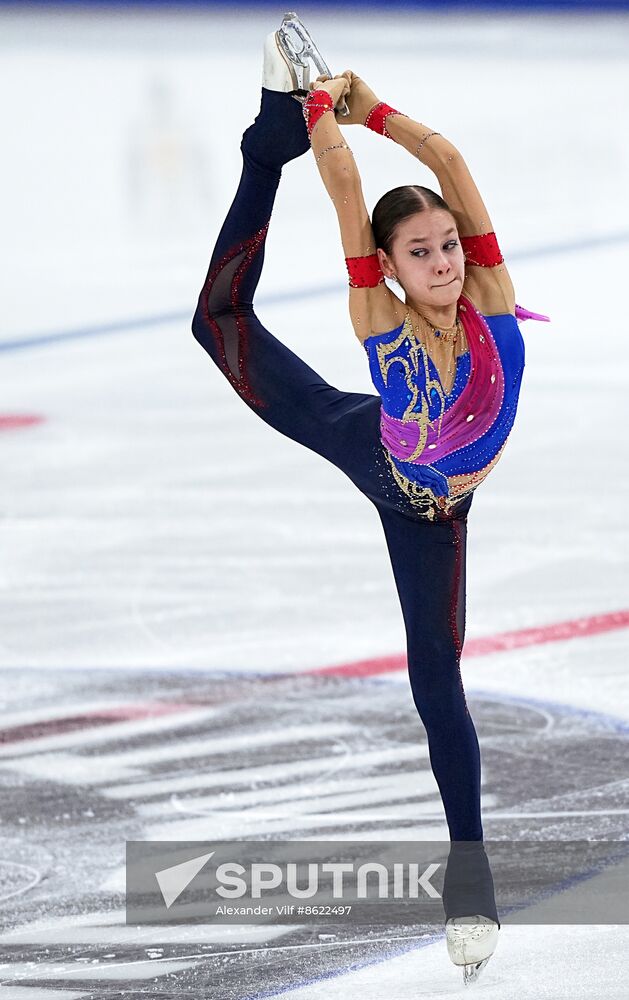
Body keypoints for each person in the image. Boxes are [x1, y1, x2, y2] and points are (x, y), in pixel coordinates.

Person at [191, 19, 548, 982]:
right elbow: (348, 194)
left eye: (446, 244)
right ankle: (260, 148)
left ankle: (467, 887)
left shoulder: (494, 297)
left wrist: (377, 108)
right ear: (389, 269)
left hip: (441, 510)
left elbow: (449, 160)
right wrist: (316, 129)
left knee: (440, 684)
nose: (442, 261)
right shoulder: (375, 315)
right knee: (217, 322)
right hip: (383, 466)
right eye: (420, 252)